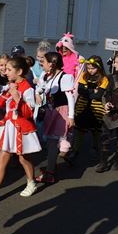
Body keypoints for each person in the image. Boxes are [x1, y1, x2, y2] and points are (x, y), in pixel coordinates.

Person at [0, 56, 41, 203]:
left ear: (19, 71)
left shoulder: (28, 88)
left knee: (23, 158)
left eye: (9, 69)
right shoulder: (9, 85)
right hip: (9, 126)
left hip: (22, 128)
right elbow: (0, 104)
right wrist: (7, 92)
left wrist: (16, 97)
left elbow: (28, 113)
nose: (5, 72)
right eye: (5, 69)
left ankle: (31, 183)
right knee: (3, 157)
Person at [34, 52, 75, 183]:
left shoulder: (65, 77)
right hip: (51, 112)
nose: (41, 64)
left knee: (52, 142)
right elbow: (40, 88)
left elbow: (70, 98)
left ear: (51, 64)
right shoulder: (47, 76)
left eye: (44, 62)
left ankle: (50, 173)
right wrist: (37, 93)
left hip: (61, 113)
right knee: (51, 143)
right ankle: (52, 165)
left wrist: (71, 116)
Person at [66, 56, 108, 162]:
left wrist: (89, 91)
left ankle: (96, 147)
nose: (90, 70)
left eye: (92, 68)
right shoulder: (84, 75)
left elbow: (99, 95)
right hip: (82, 105)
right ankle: (75, 150)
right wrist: (92, 91)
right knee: (79, 129)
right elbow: (80, 91)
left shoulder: (103, 78)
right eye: (88, 68)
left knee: (96, 129)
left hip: (96, 107)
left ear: (99, 67)